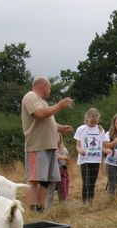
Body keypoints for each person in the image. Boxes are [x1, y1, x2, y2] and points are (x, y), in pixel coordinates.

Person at [20, 76, 73, 212]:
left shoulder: (43, 101)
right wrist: (59, 106)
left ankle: (40, 207)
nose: (50, 90)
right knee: (34, 179)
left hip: (50, 146)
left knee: (45, 180)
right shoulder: (30, 96)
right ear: (44, 86)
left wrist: (61, 128)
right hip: (37, 146)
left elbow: (48, 122)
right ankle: (32, 208)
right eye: (49, 87)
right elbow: (40, 114)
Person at [74, 108, 110, 204]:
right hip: (84, 160)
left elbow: (102, 145)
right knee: (86, 182)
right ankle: (84, 202)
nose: (93, 122)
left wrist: (106, 150)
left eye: (95, 121)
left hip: (96, 159)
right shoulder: (81, 129)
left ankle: (90, 202)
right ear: (87, 118)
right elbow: (77, 145)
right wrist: (79, 150)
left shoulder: (100, 130)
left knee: (92, 183)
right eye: (91, 120)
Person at [45, 135, 70, 208]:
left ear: (60, 138)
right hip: (52, 172)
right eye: (54, 136)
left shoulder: (64, 149)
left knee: (62, 191)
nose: (55, 138)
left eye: (57, 137)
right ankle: (48, 210)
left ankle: (62, 209)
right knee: (50, 191)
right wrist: (59, 157)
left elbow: (68, 161)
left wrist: (66, 160)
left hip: (62, 171)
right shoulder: (49, 149)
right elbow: (47, 160)